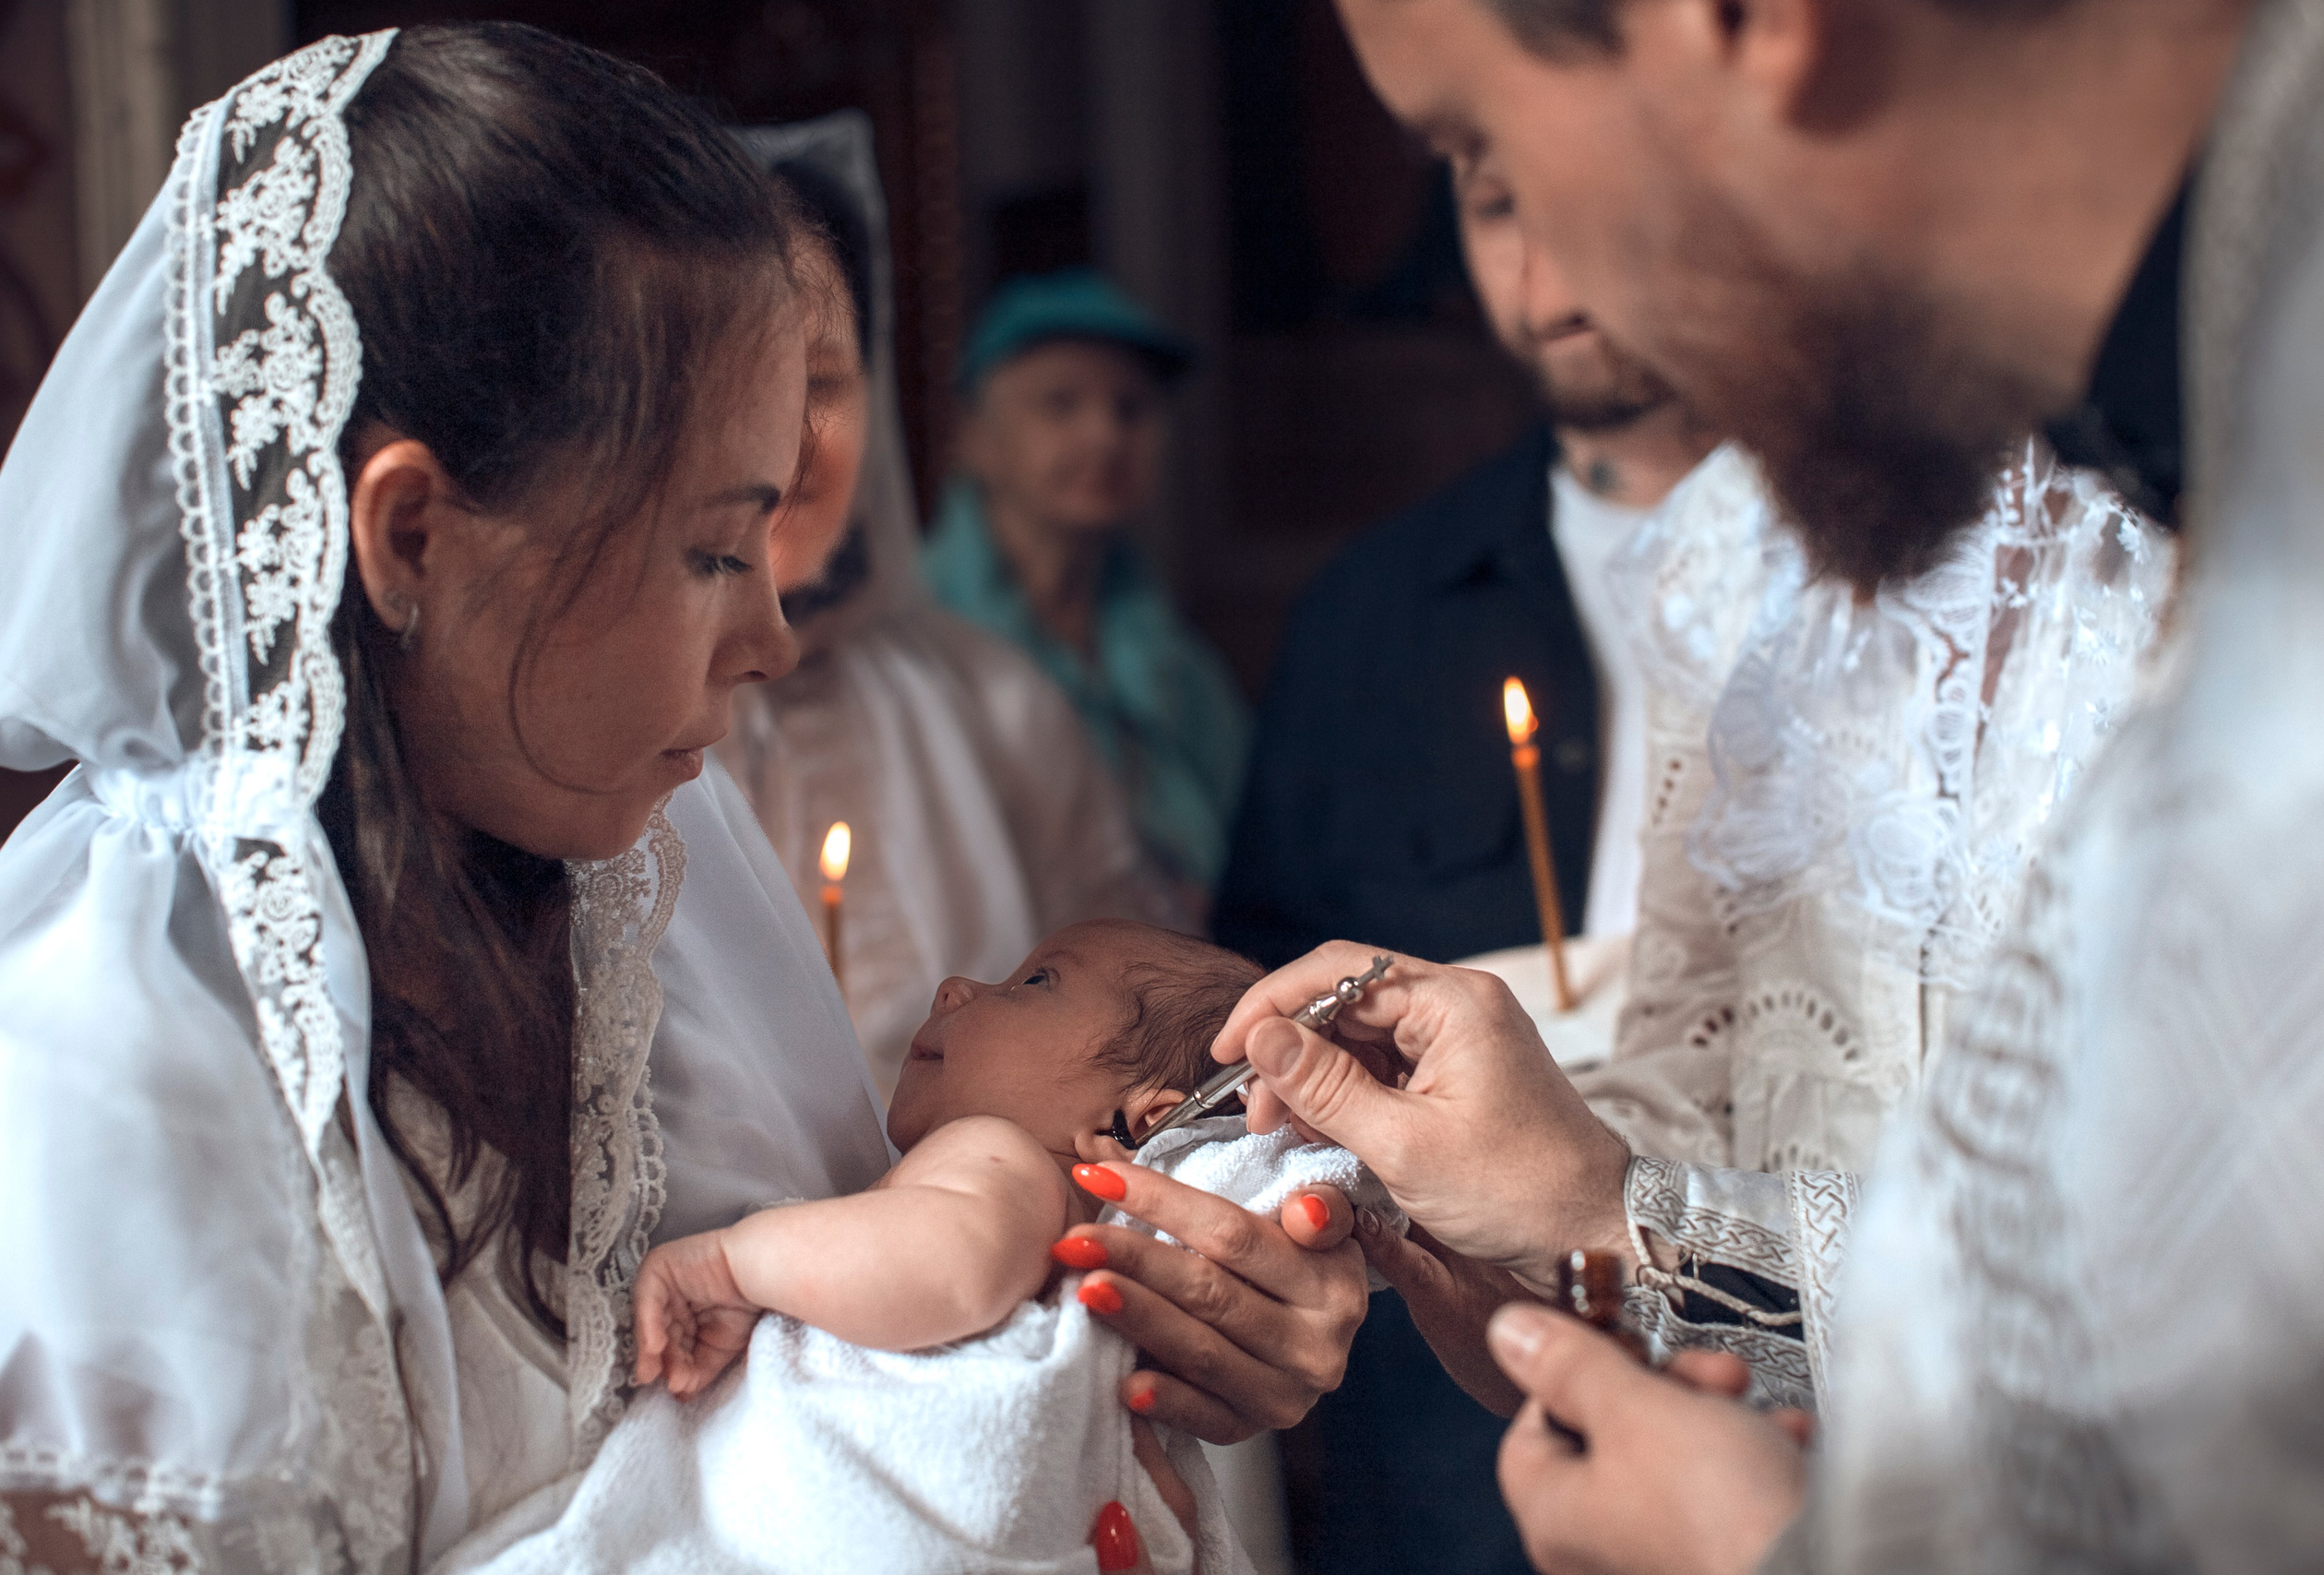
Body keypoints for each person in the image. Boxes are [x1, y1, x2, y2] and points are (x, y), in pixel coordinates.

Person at [0, 29, 1365, 1570]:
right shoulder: (99, 1069)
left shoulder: (651, 880)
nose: (773, 637)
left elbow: (911, 1373)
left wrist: (1186, 1299)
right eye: (717, 550)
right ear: (413, 537)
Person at [1218, 0, 2324, 1571]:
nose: (1553, 285)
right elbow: (2089, 1314)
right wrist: (1604, 1223)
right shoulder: (1814, 547)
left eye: (1486, 147)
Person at [1213, 151, 1720, 1573]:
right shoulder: (1371, 614)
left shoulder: (1883, 591)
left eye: (1590, 199)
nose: (1546, 275)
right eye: (1500, 208)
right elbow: (1252, 984)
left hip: (1813, 1372)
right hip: (1453, 1435)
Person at [464, 921, 1385, 1575]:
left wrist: (734, 1262)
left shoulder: (1006, 1161)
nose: (956, 988)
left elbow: (954, 1262)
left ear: (1134, 1118)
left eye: (1034, 984)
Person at [716, 116, 1177, 1097]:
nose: (787, 443)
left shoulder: (994, 702)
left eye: (822, 386)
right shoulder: (621, 742)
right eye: (739, 390)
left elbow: (1133, 1030)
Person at [925, 270, 1250, 918]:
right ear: (973, 439)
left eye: (1131, 408)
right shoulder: (914, 637)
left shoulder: (1172, 654)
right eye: (1060, 404)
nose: (1104, 436)